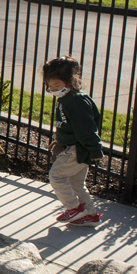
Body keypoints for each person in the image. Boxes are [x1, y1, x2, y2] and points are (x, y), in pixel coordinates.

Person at [44, 56, 105, 226]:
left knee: (55, 177)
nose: (53, 89)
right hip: (74, 147)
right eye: (50, 86)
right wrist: (58, 141)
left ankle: (74, 208)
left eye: (57, 85)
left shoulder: (76, 101)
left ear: (70, 81)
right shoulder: (66, 98)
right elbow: (66, 125)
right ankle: (90, 215)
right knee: (76, 182)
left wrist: (94, 148)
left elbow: (87, 127)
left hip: (77, 148)